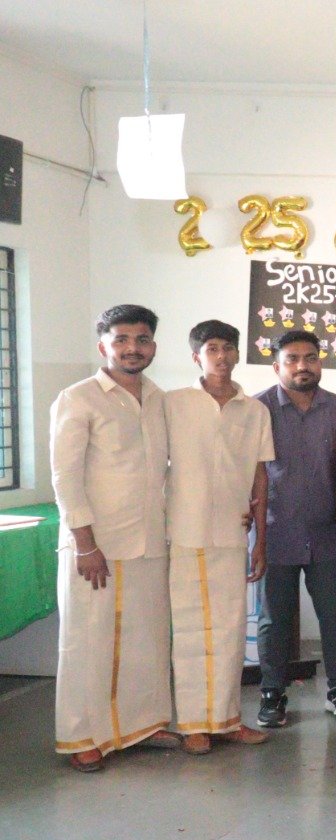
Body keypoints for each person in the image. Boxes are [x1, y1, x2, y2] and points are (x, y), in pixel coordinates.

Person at [49, 305, 181, 772]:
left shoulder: (160, 399)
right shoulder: (78, 398)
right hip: (96, 546)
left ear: (153, 346)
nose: (132, 348)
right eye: (121, 339)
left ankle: (142, 725)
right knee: (88, 642)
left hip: (149, 540)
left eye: (142, 339)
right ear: (103, 344)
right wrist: (85, 544)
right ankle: (81, 735)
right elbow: (65, 477)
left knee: (147, 638)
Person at [163, 320, 273, 754]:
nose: (221, 356)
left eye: (228, 348)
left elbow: (260, 475)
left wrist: (260, 539)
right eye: (212, 348)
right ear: (196, 357)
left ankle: (227, 720)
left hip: (232, 531)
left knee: (229, 628)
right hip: (184, 531)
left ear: (238, 353)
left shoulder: (254, 410)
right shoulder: (173, 403)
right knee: (191, 628)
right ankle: (193, 724)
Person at [254, 330, 336, 729]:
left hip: (328, 534)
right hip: (275, 533)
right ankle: (272, 693)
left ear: (320, 362)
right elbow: (247, 471)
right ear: (277, 366)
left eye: (311, 358)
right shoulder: (257, 410)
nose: (303, 366)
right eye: (293, 359)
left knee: (335, 615)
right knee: (274, 619)